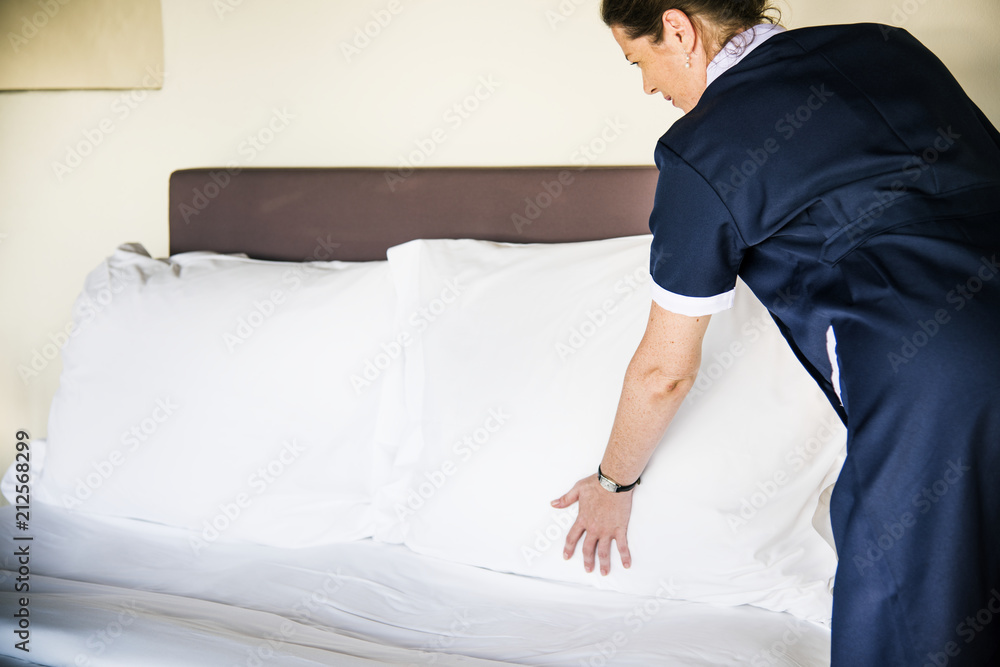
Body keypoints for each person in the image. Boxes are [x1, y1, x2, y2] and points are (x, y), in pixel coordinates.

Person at [550, 1, 1000, 665]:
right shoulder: (888, 46)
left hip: (941, 385)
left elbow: (663, 371)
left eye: (639, 61)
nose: (647, 85)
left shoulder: (700, 150)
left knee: (910, 616)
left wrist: (611, 484)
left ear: (678, 29)